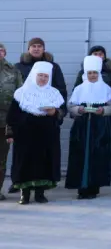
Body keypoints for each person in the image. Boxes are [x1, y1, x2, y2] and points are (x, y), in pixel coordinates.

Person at [5, 62, 63, 204]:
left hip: (47, 134)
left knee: (44, 162)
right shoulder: (21, 93)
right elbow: (12, 115)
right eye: (40, 75)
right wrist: (11, 134)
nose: (43, 78)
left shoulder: (54, 93)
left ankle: (40, 193)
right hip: (25, 133)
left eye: (45, 76)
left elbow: (62, 113)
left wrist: (55, 112)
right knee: (25, 162)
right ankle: (24, 194)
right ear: (34, 76)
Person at [65, 55, 111, 199]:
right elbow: (71, 106)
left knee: (97, 155)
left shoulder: (106, 88)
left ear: (99, 74)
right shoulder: (79, 88)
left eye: (95, 73)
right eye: (90, 73)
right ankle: (81, 187)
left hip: (99, 126)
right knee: (80, 154)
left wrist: (104, 111)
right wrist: (78, 110)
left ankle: (94, 186)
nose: (92, 75)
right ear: (85, 74)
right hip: (82, 126)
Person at [0, 43, 24, 199]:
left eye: (1, 50)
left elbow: (20, 95)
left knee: (1, 159)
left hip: (5, 123)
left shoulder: (14, 71)